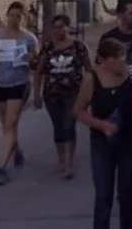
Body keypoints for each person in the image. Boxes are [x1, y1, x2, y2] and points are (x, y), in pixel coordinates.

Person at [74, 38, 132, 229]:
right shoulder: (91, 80)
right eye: (118, 59)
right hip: (102, 144)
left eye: (124, 58)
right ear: (104, 60)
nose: (123, 62)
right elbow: (78, 110)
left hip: (129, 141)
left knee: (127, 190)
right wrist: (101, 125)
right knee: (104, 193)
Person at [32, 14, 91, 179]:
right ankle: (61, 159)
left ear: (68, 27)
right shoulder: (48, 47)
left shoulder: (78, 46)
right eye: (55, 27)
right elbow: (38, 72)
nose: (58, 30)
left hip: (74, 93)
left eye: (61, 26)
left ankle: (69, 163)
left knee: (68, 125)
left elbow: (89, 69)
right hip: (52, 93)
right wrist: (36, 94)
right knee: (58, 126)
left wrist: (90, 93)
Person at [0, 1, 39, 185]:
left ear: (23, 17)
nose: (14, 19)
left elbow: (36, 62)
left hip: (19, 84)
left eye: (18, 16)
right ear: (7, 16)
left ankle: (2, 168)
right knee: (6, 123)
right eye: (11, 15)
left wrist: (31, 58)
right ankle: (16, 151)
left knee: (11, 123)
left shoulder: (29, 38)